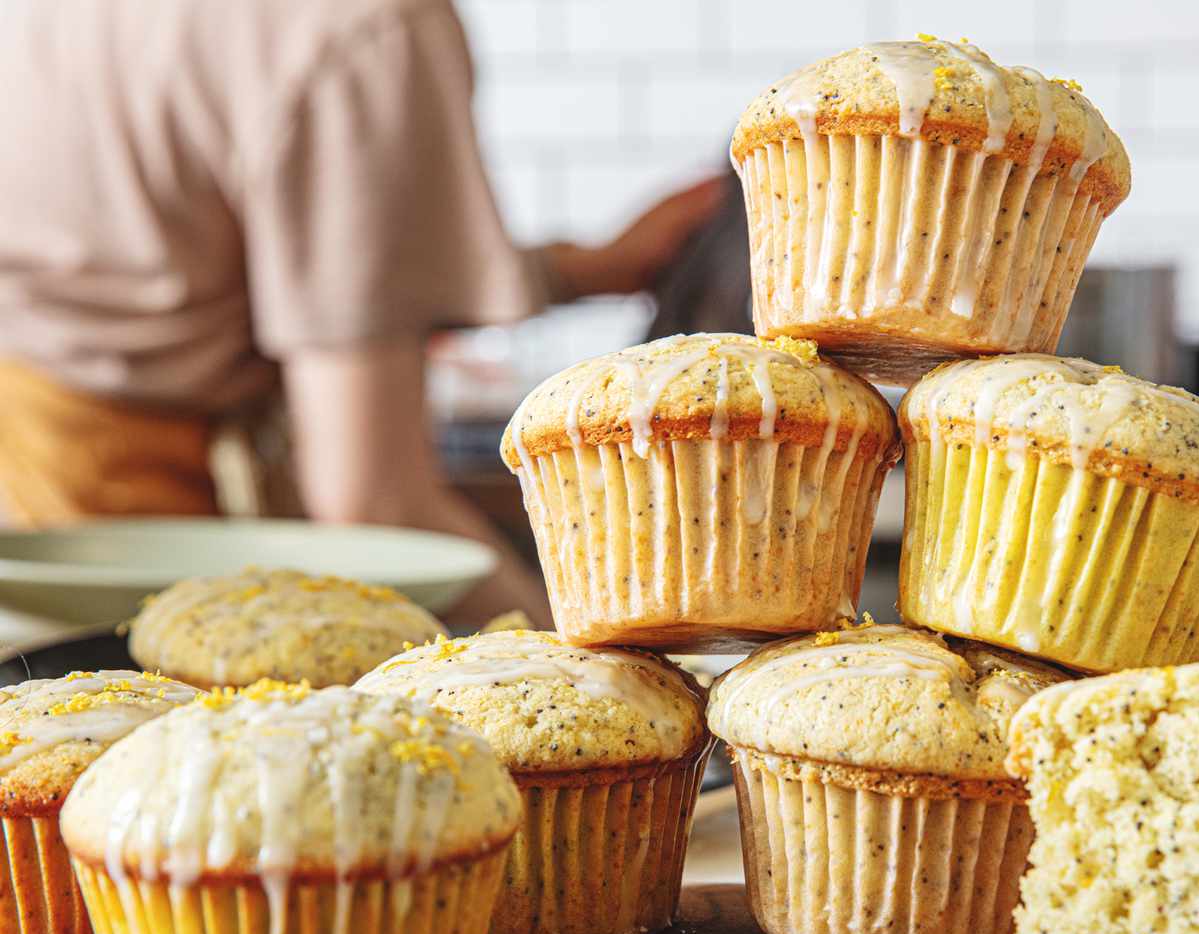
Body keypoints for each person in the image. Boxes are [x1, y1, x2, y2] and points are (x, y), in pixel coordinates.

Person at [0, 0, 722, 624]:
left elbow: (218, 246)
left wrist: (583, 269)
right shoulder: (367, 31)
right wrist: (585, 663)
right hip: (101, 509)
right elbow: (374, 501)